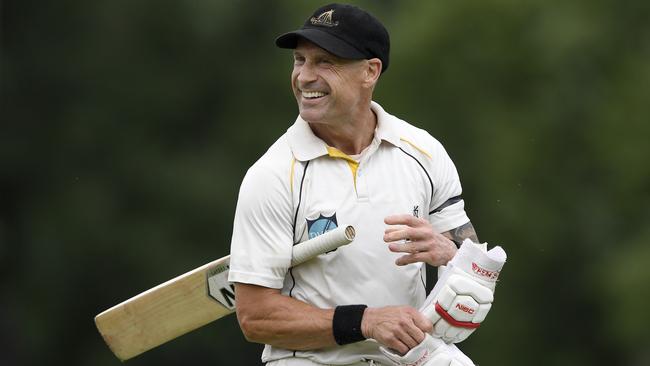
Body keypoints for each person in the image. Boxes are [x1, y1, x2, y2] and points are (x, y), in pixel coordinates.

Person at [228, 3, 480, 365]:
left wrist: (452, 255)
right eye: (300, 60)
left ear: (370, 71)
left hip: (405, 358)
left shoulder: (423, 153)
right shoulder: (272, 175)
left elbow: (475, 281)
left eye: (324, 62)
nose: (304, 77)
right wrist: (365, 321)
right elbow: (255, 317)